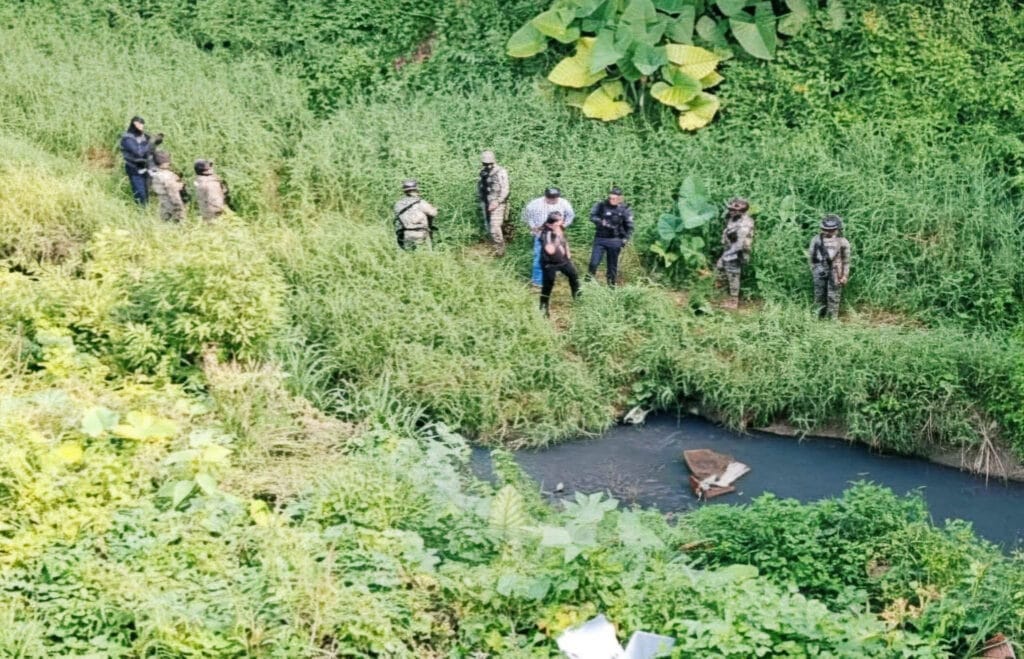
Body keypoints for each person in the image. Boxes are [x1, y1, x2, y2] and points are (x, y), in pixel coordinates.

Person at [521, 187, 575, 287]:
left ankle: (554, 275)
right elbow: (526, 216)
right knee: (539, 257)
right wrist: (533, 227)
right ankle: (537, 282)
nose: (552, 201)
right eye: (550, 198)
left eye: (555, 199)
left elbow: (571, 215)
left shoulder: (563, 203)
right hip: (541, 234)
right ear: (545, 196)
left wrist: (563, 225)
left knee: (560, 256)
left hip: (557, 235)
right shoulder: (534, 204)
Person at [714, 197, 755, 309]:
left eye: (733, 210)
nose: (730, 211)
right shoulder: (734, 218)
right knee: (720, 267)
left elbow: (740, 245)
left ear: (741, 212)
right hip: (729, 249)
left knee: (733, 274)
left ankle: (733, 301)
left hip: (737, 253)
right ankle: (721, 290)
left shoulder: (745, 224)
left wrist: (726, 256)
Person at [588, 186, 634, 286]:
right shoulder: (601, 205)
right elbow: (592, 216)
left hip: (615, 239)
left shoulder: (625, 209)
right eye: (610, 198)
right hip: (600, 238)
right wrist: (600, 221)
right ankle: (587, 283)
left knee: (612, 266)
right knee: (593, 263)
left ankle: (611, 286)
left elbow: (629, 226)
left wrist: (626, 239)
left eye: (614, 199)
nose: (611, 200)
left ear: (620, 199)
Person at [808, 214, 851, 319]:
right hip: (820, 269)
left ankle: (832, 318)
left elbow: (846, 260)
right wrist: (814, 268)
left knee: (834, 295)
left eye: (832, 230)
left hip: (836, 271)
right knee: (819, 294)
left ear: (837, 229)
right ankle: (818, 316)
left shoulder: (843, 242)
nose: (828, 232)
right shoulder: (816, 240)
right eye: (825, 229)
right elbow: (811, 255)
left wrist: (844, 275)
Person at [538, 211, 580, 317]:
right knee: (548, 286)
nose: (562, 222)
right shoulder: (546, 233)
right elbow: (550, 250)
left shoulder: (558, 228)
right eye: (560, 221)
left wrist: (568, 252)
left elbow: (564, 240)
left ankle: (579, 300)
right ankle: (543, 309)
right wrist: (556, 236)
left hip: (563, 261)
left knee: (574, 277)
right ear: (552, 223)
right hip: (549, 263)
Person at [119, 116, 162, 205]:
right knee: (140, 194)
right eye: (138, 125)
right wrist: (150, 142)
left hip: (146, 167)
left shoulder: (144, 135)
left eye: (141, 125)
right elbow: (139, 152)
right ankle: (141, 211)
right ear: (133, 125)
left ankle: (146, 210)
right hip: (134, 169)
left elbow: (152, 146)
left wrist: (156, 139)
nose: (140, 127)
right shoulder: (127, 138)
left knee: (147, 192)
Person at [477, 150, 511, 256]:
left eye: (489, 163)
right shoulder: (483, 172)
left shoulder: (501, 172)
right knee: (488, 227)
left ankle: (500, 251)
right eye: (485, 163)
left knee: (495, 227)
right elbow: (480, 186)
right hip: (486, 202)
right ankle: (495, 247)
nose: (487, 165)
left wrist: (498, 201)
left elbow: (505, 189)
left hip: (498, 203)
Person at [394, 179, 438, 250]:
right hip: (421, 233)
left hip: (406, 234)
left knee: (410, 256)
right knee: (425, 256)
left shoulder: (398, 204)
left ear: (405, 191)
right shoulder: (421, 202)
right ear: (416, 190)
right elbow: (433, 213)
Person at [149, 151, 186, 222]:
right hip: (171, 201)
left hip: (162, 200)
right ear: (167, 162)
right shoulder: (168, 176)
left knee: (164, 218)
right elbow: (173, 191)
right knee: (177, 220)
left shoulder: (156, 174)